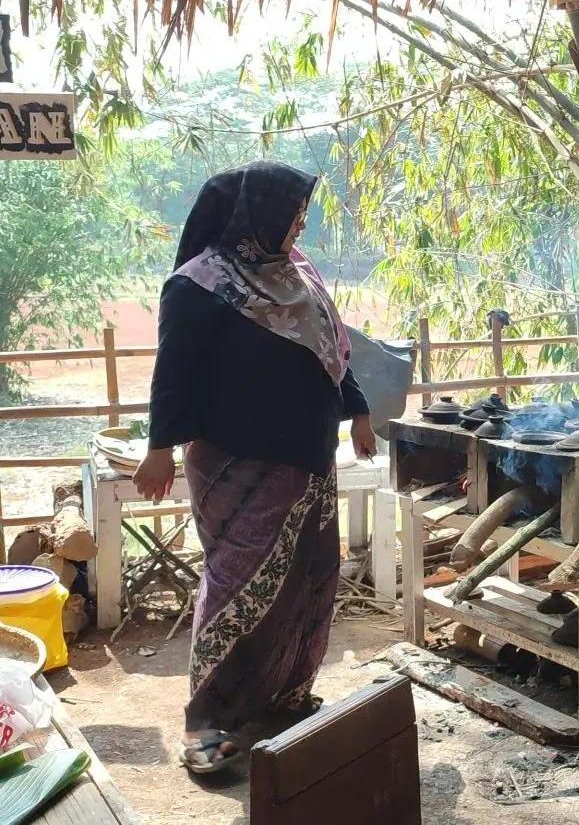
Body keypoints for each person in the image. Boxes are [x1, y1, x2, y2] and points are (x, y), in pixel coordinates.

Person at [133, 161, 377, 775]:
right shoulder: (199, 285)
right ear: (257, 215)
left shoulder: (299, 275)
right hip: (238, 464)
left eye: (301, 213)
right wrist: (159, 447)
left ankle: (280, 698)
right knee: (240, 585)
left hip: (310, 459)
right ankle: (208, 721)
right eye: (292, 213)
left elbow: (330, 351)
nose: (300, 223)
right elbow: (175, 372)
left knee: (309, 578)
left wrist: (360, 412)